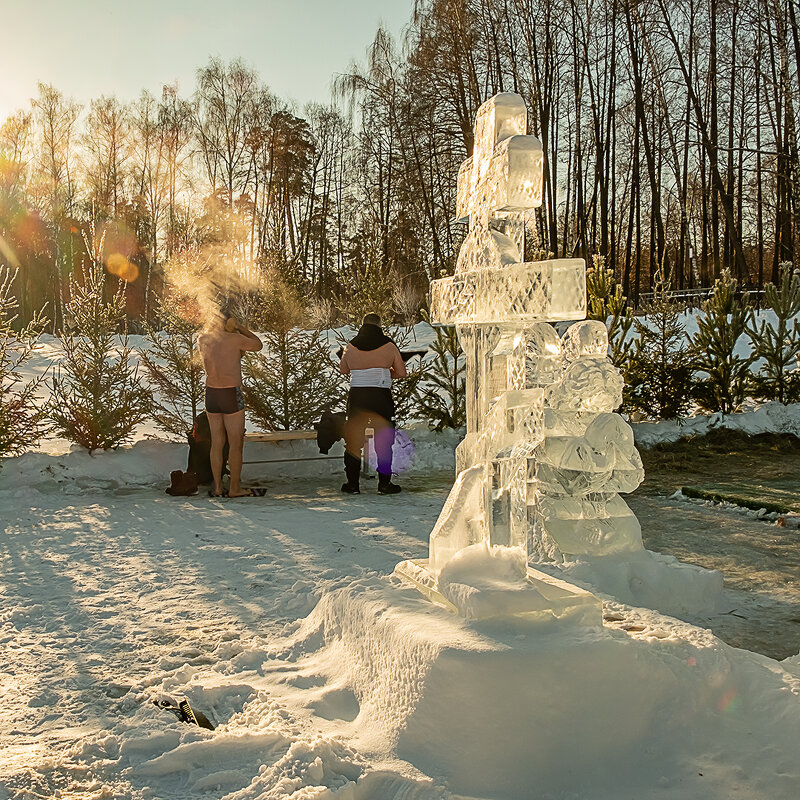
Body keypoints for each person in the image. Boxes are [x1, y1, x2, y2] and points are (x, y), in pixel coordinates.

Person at [339, 312, 406, 495]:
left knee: (353, 441)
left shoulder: (350, 346)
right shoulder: (389, 346)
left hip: (358, 397)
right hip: (380, 396)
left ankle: (352, 485)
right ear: (380, 325)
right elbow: (401, 373)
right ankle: (384, 485)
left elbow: (343, 370)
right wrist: (382, 372)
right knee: (384, 441)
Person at [197, 311, 263, 497]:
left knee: (217, 443)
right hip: (230, 393)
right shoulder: (235, 339)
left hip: (211, 393)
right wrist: (240, 327)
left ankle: (218, 487)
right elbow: (258, 345)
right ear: (229, 323)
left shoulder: (203, 339)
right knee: (235, 444)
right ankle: (234, 488)